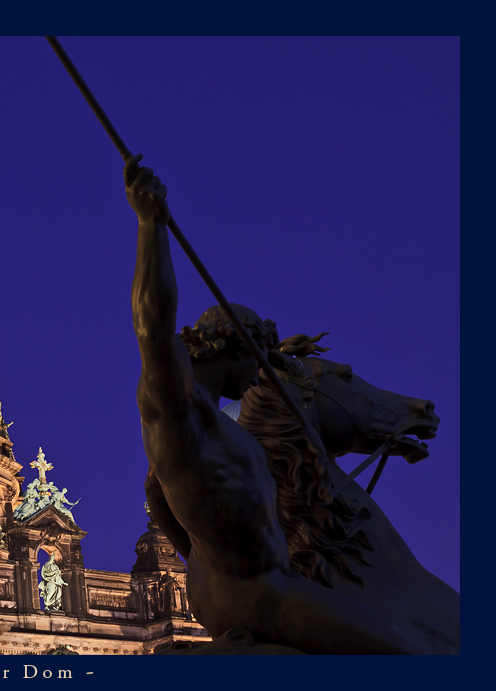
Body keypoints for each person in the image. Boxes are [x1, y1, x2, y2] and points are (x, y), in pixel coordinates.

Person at [126, 154, 420, 654]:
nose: (262, 376)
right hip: (261, 594)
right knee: (401, 655)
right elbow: (153, 326)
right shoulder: (180, 412)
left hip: (245, 584)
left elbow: (170, 510)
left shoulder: (217, 430)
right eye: (260, 361)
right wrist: (151, 227)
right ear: (238, 349)